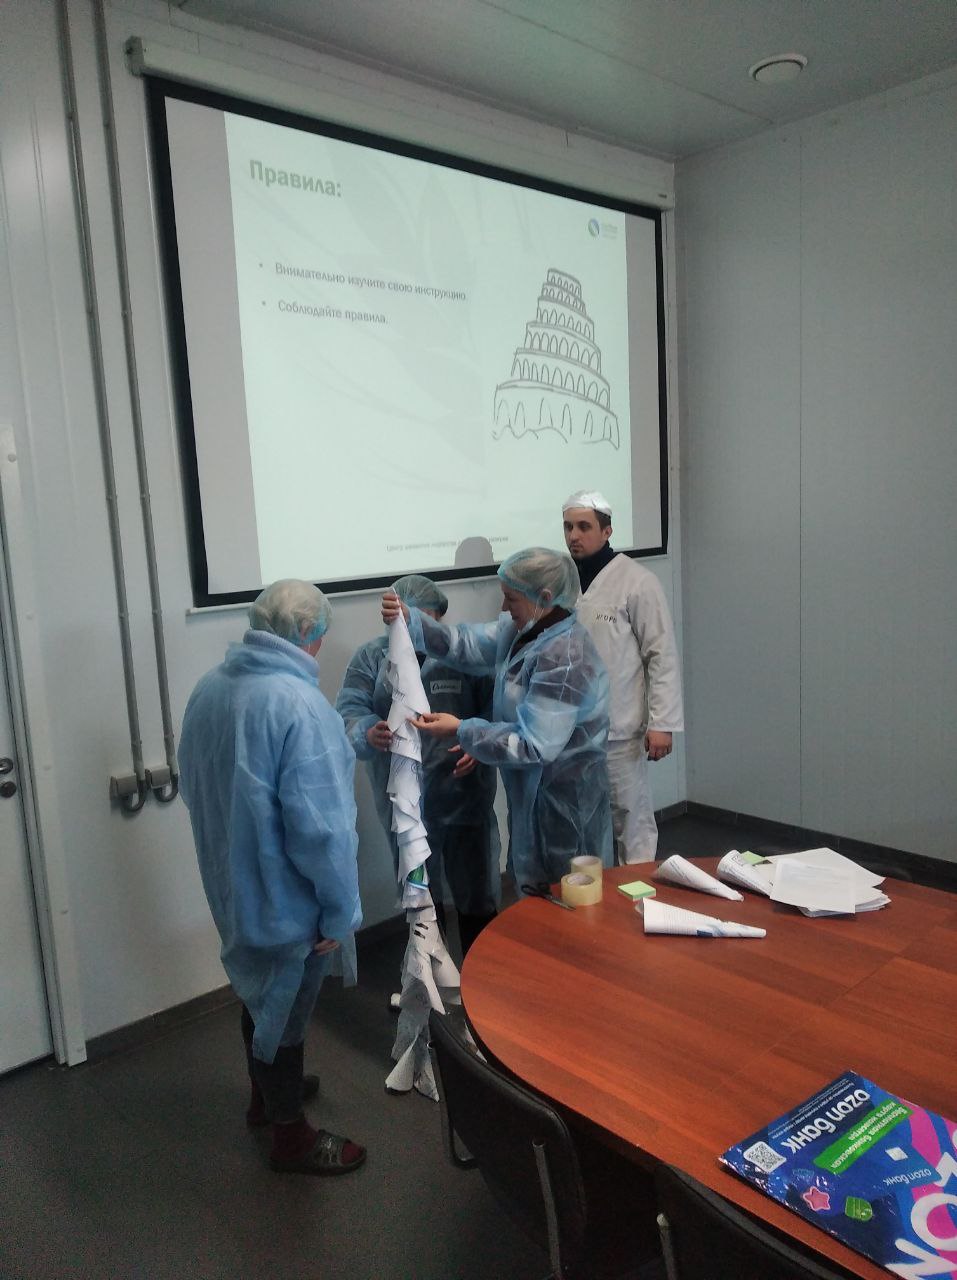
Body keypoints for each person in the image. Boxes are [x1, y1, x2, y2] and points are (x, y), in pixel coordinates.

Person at [178, 579, 365, 1176]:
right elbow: (324, 830)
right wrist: (338, 912)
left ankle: (265, 1095)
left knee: (258, 990)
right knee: (285, 1008)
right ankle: (291, 1136)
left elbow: (193, 782)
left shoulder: (210, 688)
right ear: (308, 634)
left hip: (233, 883)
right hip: (289, 899)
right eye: (321, 636)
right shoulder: (301, 706)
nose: (320, 646)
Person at [382, 549, 612, 889]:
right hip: (532, 798)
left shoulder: (565, 658)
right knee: (534, 889)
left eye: (511, 599)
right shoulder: (522, 632)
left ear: (544, 597)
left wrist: (462, 729)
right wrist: (410, 619)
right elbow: (464, 644)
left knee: (570, 893)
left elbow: (533, 746)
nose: (504, 607)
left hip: (566, 803)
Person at [336, 575, 499, 957]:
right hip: (404, 804)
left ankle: (487, 975)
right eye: (407, 620)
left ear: (439, 618)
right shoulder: (371, 658)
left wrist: (479, 744)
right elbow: (348, 711)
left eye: (424, 621)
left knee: (477, 896)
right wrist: (366, 731)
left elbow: (497, 710)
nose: (415, 629)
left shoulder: (464, 657)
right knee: (422, 900)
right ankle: (433, 979)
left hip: (464, 800)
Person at [562, 490, 684, 862]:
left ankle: (640, 893)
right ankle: (593, 896)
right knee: (581, 822)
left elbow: (660, 654)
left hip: (620, 729)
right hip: (570, 730)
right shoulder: (562, 580)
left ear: (607, 531)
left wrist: (662, 723)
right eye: (568, 527)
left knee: (630, 821)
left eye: (584, 527)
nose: (574, 536)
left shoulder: (637, 582)